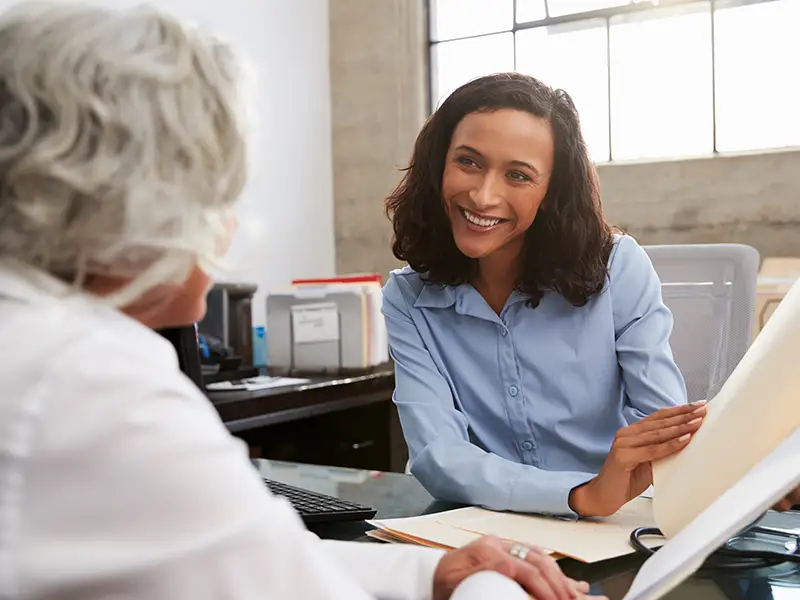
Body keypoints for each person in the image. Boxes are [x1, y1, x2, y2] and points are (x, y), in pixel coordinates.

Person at [0, 5, 601, 600]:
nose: (228, 223)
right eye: (221, 190)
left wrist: (435, 574)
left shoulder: (44, 342)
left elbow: (259, 556)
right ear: (138, 202)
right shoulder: (93, 383)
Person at [382, 72, 708, 519]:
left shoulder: (617, 268)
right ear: (440, 163)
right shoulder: (407, 298)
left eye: (518, 175)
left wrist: (606, 490)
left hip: (616, 523)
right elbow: (438, 457)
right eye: (469, 162)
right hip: (484, 526)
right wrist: (579, 494)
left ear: (550, 193)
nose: (483, 195)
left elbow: (665, 431)